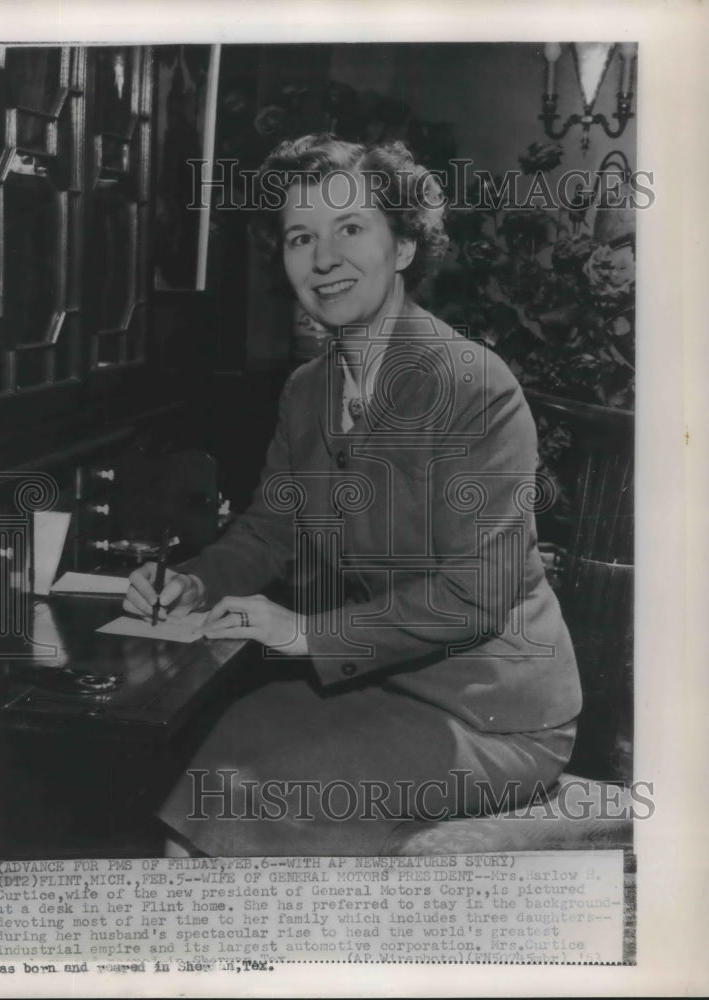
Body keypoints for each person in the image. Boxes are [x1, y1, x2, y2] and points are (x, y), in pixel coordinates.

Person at [124, 134, 582, 856]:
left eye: (350, 228)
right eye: (300, 236)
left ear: (403, 246)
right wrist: (194, 582)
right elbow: (271, 530)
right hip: (371, 684)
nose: (323, 258)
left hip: (491, 715)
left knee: (241, 804)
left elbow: (474, 596)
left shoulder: (472, 385)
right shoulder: (308, 390)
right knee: (192, 777)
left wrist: (302, 633)